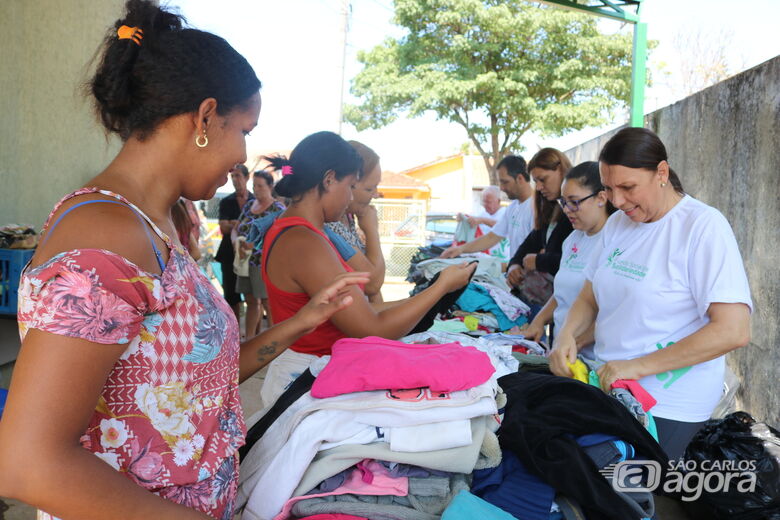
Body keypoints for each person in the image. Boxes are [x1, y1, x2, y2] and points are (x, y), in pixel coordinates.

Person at [0, 2, 367, 519]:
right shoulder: (107, 238)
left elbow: (191, 384)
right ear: (205, 116)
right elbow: (29, 463)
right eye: (244, 129)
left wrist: (306, 320)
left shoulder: (156, 226)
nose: (243, 154)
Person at [550, 127, 752, 460]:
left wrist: (637, 366)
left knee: (616, 489)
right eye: (609, 189)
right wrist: (567, 336)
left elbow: (733, 330)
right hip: (612, 388)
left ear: (661, 173)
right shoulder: (617, 226)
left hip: (669, 403)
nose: (617, 201)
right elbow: (589, 296)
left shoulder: (702, 226)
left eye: (628, 188)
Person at [260, 131, 476, 406]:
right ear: (329, 179)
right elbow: (371, 328)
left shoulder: (307, 233)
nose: (351, 197)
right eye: (350, 186)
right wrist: (441, 288)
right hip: (306, 381)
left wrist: (431, 294)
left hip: (313, 374)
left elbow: (363, 311)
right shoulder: (304, 242)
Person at [519, 161, 615, 348]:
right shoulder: (572, 239)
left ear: (601, 198)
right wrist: (538, 321)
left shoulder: (614, 243)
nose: (566, 210)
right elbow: (563, 293)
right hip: (562, 348)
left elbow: (614, 313)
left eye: (574, 202)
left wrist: (573, 344)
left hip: (590, 356)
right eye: (563, 202)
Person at [506, 148, 574, 311]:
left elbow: (576, 261)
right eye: (536, 182)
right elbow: (529, 244)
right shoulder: (551, 209)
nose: (539, 187)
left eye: (543, 180)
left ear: (560, 170)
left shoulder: (574, 214)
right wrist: (514, 265)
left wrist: (539, 261)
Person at [440, 155, 534, 262]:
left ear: (520, 178)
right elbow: (492, 237)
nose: (502, 188)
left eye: (505, 182)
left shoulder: (536, 209)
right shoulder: (512, 208)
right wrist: (460, 249)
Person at [325, 140, 386, 302]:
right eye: (369, 188)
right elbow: (373, 284)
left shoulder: (349, 217)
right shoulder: (330, 225)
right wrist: (372, 230)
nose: (375, 195)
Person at [235, 170, 286, 338]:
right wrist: (237, 242)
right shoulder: (250, 205)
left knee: (267, 302)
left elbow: (280, 237)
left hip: (263, 262)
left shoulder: (277, 208)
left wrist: (254, 245)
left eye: (260, 186)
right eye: (254, 185)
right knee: (250, 301)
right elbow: (236, 229)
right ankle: (250, 339)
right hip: (244, 262)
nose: (256, 189)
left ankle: (274, 339)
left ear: (270, 186)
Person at [216, 163, 253, 321]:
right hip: (229, 254)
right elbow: (223, 228)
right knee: (231, 295)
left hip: (251, 254)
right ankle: (235, 331)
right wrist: (243, 225)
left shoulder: (255, 202)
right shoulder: (226, 201)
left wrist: (234, 224)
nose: (235, 180)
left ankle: (254, 333)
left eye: (238, 176)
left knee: (253, 296)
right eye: (232, 176)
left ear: (246, 177)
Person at [455, 186, 510, 261]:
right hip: (485, 258)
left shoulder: (506, 213)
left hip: (502, 260)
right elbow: (474, 222)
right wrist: (464, 218)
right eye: (484, 201)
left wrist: (483, 220)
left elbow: (502, 226)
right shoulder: (483, 214)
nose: (485, 205)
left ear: (498, 201)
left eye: (488, 202)